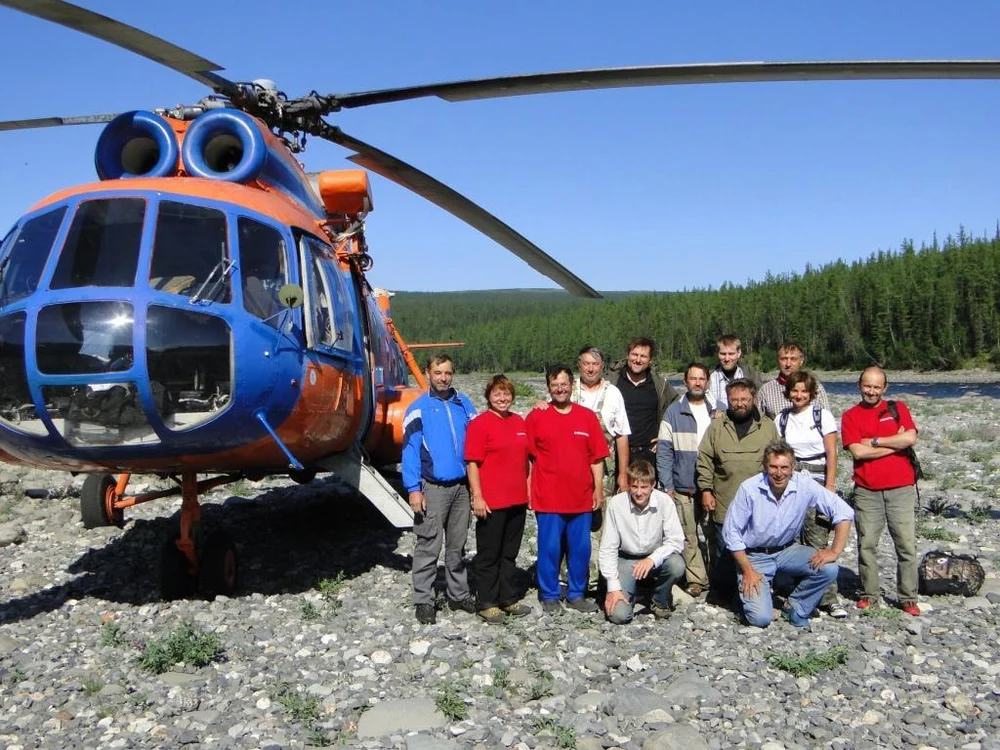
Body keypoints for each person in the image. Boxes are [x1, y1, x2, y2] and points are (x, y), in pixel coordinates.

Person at [722, 440, 855, 628]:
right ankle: (745, 594)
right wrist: (748, 570)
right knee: (760, 619)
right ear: (764, 466)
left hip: (787, 550)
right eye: (773, 467)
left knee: (829, 568)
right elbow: (731, 533)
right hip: (754, 556)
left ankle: (795, 606)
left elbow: (844, 512)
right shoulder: (749, 488)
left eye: (784, 467)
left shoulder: (805, 484)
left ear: (793, 467)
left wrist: (835, 550)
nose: (779, 473)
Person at [526, 365, 609, 614]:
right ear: (548, 387)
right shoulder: (537, 416)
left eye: (564, 383)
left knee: (581, 549)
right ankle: (549, 593)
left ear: (572, 384)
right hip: (548, 496)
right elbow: (528, 458)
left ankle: (576, 594)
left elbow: (597, 458)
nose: (560, 389)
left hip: (581, 497)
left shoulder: (587, 417)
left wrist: (598, 489)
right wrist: (528, 490)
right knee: (549, 548)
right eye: (554, 385)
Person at [402, 354, 478, 624]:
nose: (443, 378)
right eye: (437, 373)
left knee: (457, 547)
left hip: (461, 488)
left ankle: (458, 595)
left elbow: (479, 440)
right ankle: (424, 599)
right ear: (427, 374)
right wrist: (413, 488)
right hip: (432, 488)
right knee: (428, 545)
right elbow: (410, 451)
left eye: (447, 373)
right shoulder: (418, 409)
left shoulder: (464, 404)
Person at [841, 366, 921, 616]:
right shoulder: (850, 416)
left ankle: (908, 598)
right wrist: (894, 444)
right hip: (867, 490)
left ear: (885, 388)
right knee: (867, 544)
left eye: (876, 387)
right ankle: (869, 595)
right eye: (867, 386)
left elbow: (910, 439)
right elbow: (858, 452)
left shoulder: (898, 409)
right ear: (859, 385)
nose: (871, 391)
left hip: (901, 488)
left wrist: (876, 441)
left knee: (906, 545)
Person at [696, 378, 778, 601]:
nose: (740, 404)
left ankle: (757, 587)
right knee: (723, 549)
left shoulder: (768, 427)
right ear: (728, 400)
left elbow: (778, 460)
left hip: (760, 502)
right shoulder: (716, 427)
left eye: (744, 399)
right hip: (724, 499)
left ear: (754, 399)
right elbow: (705, 459)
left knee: (757, 547)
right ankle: (724, 592)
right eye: (735, 400)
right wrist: (705, 489)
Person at [777, 370, 846, 619]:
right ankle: (803, 595)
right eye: (794, 390)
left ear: (811, 394)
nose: (799, 395)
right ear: (788, 393)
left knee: (818, 538)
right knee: (795, 541)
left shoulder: (822, 416)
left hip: (817, 479)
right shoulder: (782, 419)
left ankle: (829, 598)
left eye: (803, 391)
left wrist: (830, 485)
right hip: (792, 481)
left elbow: (832, 453)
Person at [465, 375, 531, 624]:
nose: (502, 398)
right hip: (491, 501)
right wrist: (477, 496)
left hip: (516, 500)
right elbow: (472, 463)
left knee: (509, 552)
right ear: (488, 397)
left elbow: (527, 460)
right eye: (497, 394)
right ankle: (487, 601)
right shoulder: (480, 424)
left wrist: (528, 491)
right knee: (489, 554)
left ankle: (508, 598)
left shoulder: (519, 421)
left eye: (506, 394)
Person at [599, 460, 685, 624]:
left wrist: (652, 559)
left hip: (655, 557)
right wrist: (613, 587)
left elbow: (676, 540)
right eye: (634, 487)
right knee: (619, 616)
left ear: (652, 485)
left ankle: (659, 600)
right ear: (629, 485)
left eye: (644, 487)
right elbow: (607, 548)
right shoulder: (616, 504)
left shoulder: (664, 501)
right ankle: (631, 592)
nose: (639, 493)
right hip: (626, 559)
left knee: (676, 565)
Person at [656, 362, 716, 597]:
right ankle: (697, 579)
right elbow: (663, 452)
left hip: (713, 487)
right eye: (693, 378)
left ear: (707, 381)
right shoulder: (673, 411)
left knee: (713, 534)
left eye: (702, 378)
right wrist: (667, 485)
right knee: (688, 536)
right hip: (683, 486)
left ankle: (717, 577)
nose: (698, 383)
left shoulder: (719, 410)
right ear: (685, 380)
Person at [610, 337, 680, 471]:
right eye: (634, 354)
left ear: (650, 360)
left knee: (647, 492)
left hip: (649, 454)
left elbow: (677, 406)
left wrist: (665, 437)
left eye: (643, 356)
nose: (638, 360)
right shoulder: (613, 380)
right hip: (617, 453)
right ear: (627, 355)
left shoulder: (659, 384)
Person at [572, 346, 631, 495]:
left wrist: (623, 474)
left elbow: (622, 435)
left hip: (605, 472)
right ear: (579, 366)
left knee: (603, 515)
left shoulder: (613, 393)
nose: (590, 369)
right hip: (572, 470)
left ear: (602, 366)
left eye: (595, 364)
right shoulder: (568, 390)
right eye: (586, 364)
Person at [756, 342, 832, 419]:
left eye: (793, 359)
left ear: (801, 361)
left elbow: (827, 420)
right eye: (784, 359)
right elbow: (757, 422)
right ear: (777, 361)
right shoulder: (766, 390)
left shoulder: (815, 387)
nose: (788, 364)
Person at [707, 335, 764, 411]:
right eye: (723, 354)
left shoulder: (752, 376)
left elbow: (760, 404)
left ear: (739, 353)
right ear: (718, 353)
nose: (727, 358)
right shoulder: (708, 379)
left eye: (731, 354)